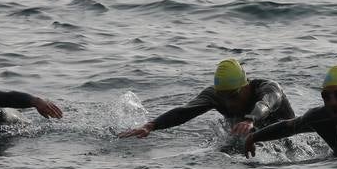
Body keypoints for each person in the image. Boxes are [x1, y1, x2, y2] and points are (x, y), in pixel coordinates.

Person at [118, 59, 294, 140]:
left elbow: (266, 104)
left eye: (233, 96)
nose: (229, 103)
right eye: (223, 97)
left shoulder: (269, 88)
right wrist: (151, 125)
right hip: (249, 140)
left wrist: (250, 119)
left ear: (246, 86)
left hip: (289, 138)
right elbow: (184, 112)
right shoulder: (216, 95)